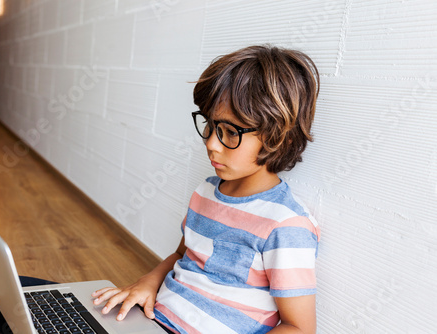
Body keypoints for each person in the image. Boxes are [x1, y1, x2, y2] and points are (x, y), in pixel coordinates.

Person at [92, 44, 321, 334]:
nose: (211, 143)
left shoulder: (287, 225)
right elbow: (181, 256)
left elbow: (298, 328)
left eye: (230, 132)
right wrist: (147, 282)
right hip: (154, 322)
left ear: (279, 138)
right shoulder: (205, 191)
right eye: (210, 126)